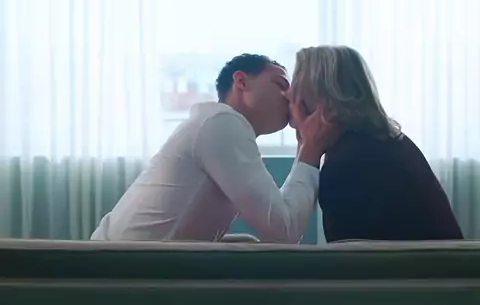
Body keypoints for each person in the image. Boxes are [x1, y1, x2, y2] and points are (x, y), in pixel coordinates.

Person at [91, 53, 339, 243]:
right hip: (119, 267)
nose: (289, 96)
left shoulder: (217, 124)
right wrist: (310, 151)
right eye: (280, 84)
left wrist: (305, 147)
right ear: (241, 81)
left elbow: (282, 226)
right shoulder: (222, 123)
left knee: (247, 245)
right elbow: (285, 230)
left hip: (126, 259)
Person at [289, 45, 464, 242]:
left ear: (322, 100)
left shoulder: (349, 163)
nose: (288, 95)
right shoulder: (381, 142)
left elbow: (347, 255)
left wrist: (308, 149)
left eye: (296, 82)